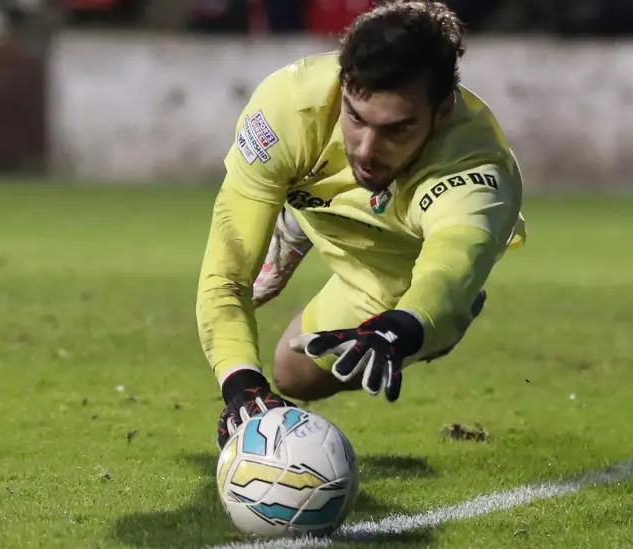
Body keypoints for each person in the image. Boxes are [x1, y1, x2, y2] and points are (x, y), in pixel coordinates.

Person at [196, 0, 528, 450]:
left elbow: (450, 266)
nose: (368, 148)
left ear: (443, 111)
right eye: (355, 117)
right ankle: (304, 212)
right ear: (342, 81)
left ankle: (438, 325)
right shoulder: (289, 109)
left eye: (396, 130)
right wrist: (240, 387)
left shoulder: (475, 167)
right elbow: (226, 273)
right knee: (276, 374)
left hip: (401, 267)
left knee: (296, 372)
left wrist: (407, 326)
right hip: (349, 223)